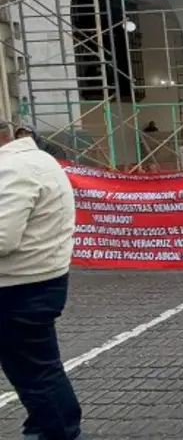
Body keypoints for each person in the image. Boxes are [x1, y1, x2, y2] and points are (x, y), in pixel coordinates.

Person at [0, 117, 83, 440]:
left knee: (36, 371)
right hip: (37, 280)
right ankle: (45, 425)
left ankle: (59, 431)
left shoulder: (12, 169)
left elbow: (3, 238)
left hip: (19, 287)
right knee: (35, 368)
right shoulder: (38, 159)